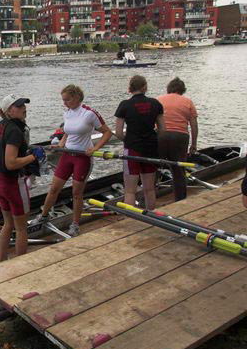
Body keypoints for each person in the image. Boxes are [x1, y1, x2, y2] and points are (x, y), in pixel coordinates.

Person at [37, 85, 112, 237]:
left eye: (68, 100)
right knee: (54, 189)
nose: (65, 103)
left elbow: (107, 132)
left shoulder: (90, 113)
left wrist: (95, 148)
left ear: (77, 97)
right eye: (63, 100)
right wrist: (60, 144)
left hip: (83, 157)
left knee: (76, 193)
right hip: (67, 155)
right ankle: (43, 216)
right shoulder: (67, 113)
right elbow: (67, 132)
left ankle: (75, 224)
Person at [0, 94, 45, 261]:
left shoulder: (1, 125)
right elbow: (11, 163)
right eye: (19, 106)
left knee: (8, 224)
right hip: (13, 184)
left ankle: (2, 261)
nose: (24, 108)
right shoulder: (16, 131)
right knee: (21, 228)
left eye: (24, 105)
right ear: (9, 111)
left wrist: (26, 151)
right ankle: (19, 265)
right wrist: (33, 157)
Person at [115, 75, 166, 210]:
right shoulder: (156, 103)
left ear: (130, 88)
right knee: (149, 189)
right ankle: (151, 214)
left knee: (130, 190)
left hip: (132, 149)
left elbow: (119, 132)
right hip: (150, 148)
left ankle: (130, 220)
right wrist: (152, 138)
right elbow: (162, 129)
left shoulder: (124, 105)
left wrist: (128, 140)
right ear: (145, 87)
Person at [157, 77, 199, 201]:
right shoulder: (188, 102)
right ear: (183, 90)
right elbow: (194, 125)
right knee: (179, 170)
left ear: (169, 88)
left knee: (153, 167)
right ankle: (180, 200)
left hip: (161, 135)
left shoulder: (158, 100)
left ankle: (148, 198)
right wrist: (194, 144)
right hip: (180, 137)